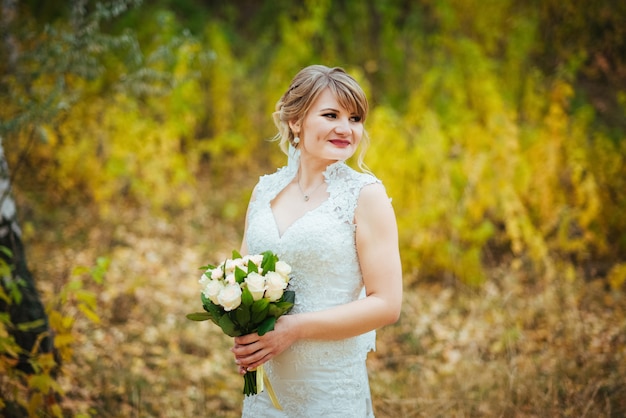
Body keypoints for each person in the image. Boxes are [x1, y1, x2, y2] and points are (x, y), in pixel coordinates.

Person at [231, 65, 403, 417]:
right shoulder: (265, 191)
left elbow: (387, 303)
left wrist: (293, 329)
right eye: (331, 115)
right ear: (295, 121)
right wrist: (244, 332)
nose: (346, 128)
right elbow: (240, 278)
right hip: (265, 392)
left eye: (355, 118)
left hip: (329, 391)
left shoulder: (365, 196)